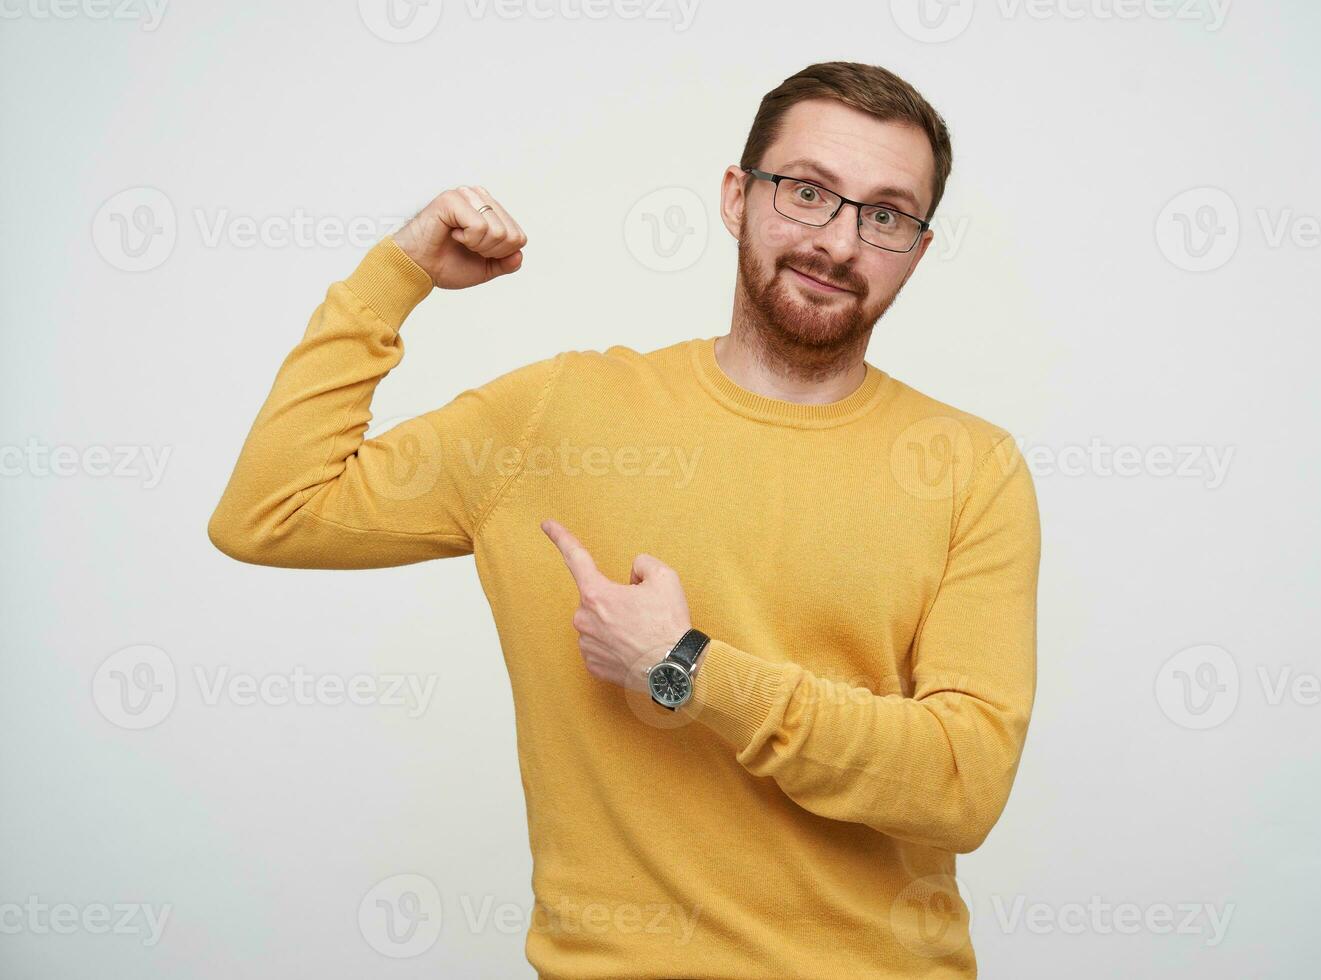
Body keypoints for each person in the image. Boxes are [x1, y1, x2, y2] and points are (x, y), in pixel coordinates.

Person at [208, 60, 1041, 979]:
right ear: (737, 197)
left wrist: (691, 668)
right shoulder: (558, 417)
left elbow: (963, 785)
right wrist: (394, 276)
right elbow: (269, 511)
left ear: (917, 249)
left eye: (884, 214)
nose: (840, 242)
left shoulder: (970, 466)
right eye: (808, 193)